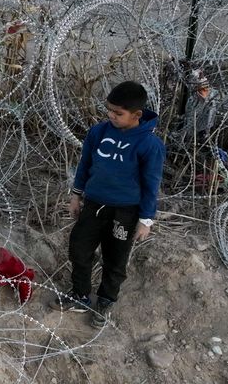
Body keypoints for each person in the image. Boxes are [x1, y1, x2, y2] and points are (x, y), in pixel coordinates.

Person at [53, 81, 165, 329]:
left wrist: (146, 219)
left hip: (124, 212)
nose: (111, 116)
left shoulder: (149, 145)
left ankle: (105, 301)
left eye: (118, 113)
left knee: (115, 259)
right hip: (94, 205)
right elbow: (85, 165)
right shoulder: (99, 133)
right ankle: (80, 295)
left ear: (136, 115)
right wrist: (76, 195)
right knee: (79, 249)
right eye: (109, 110)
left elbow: (151, 184)